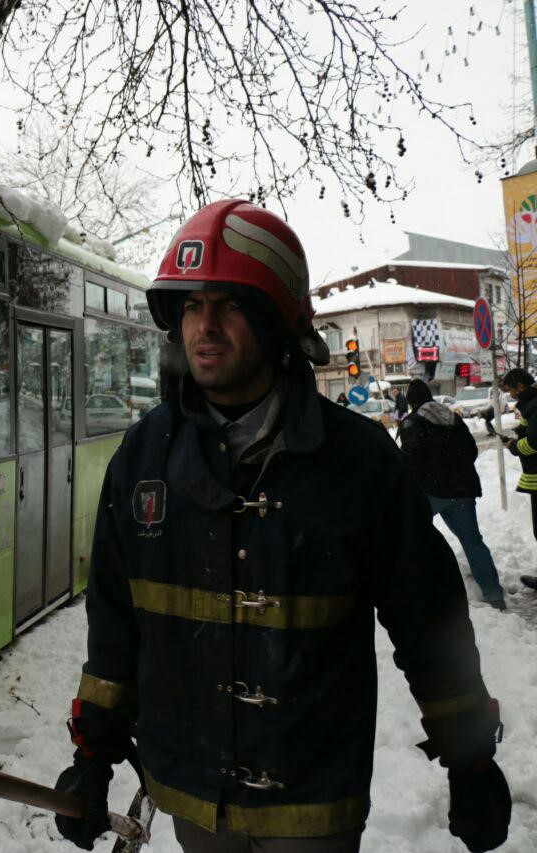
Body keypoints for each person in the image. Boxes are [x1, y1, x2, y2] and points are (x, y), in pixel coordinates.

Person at [54, 200, 509, 853]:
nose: (203, 326)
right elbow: (116, 621)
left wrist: (470, 757)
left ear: (276, 322)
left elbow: (426, 614)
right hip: (192, 797)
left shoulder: (357, 461)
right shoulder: (142, 458)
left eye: (229, 304)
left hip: (313, 802)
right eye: (190, 306)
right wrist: (93, 751)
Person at [398, 379, 506, 610]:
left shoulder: (412, 423)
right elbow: (472, 451)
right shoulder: (454, 418)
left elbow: (409, 461)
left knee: (412, 538)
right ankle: (494, 595)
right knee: (473, 542)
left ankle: (419, 593)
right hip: (463, 490)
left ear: (412, 403)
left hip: (431, 493)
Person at [500, 368, 537, 591]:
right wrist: (519, 430)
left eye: (511, 389)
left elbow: (533, 443)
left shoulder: (534, 406)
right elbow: (528, 429)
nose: (511, 394)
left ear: (521, 387)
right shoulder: (530, 405)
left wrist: (515, 447)